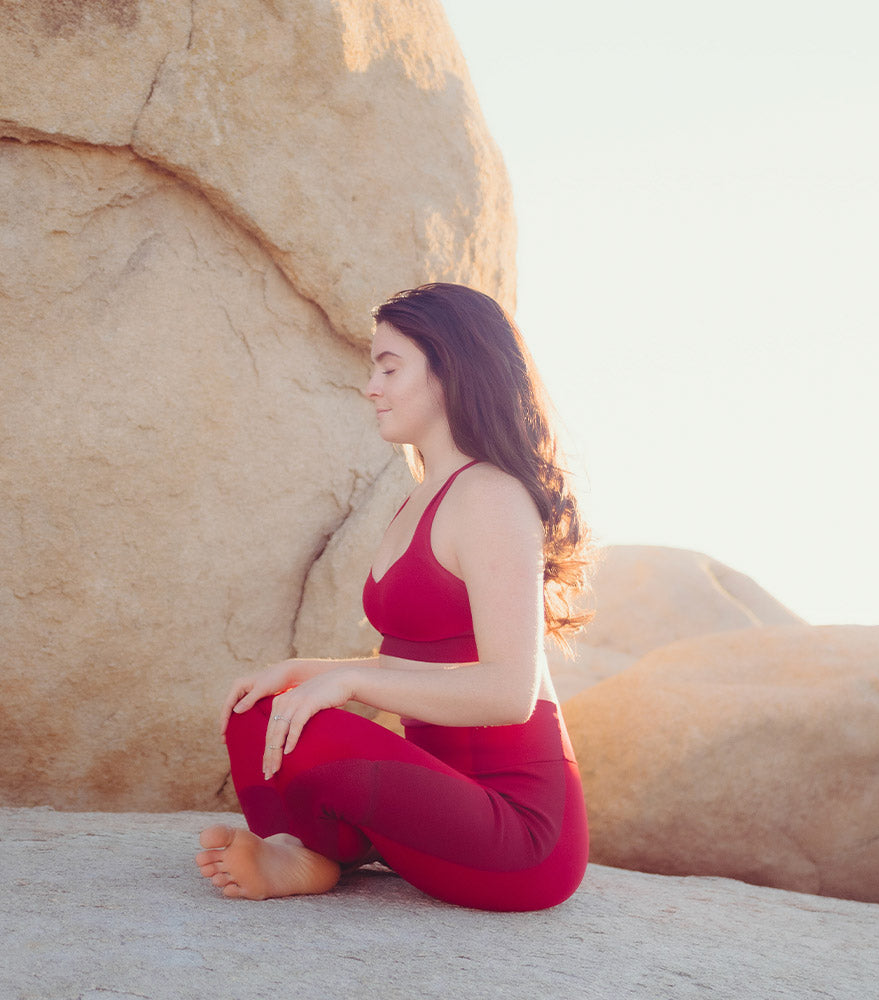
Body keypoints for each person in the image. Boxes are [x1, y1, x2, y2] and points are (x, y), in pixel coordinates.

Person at [195, 282, 592, 911]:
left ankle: (315, 853)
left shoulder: (491, 495)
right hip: (442, 799)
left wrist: (352, 684)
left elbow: (510, 693)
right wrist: (306, 672)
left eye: (389, 367)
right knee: (261, 710)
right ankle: (310, 852)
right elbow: (415, 668)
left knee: (316, 730)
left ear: (448, 371)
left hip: (518, 836)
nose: (371, 387)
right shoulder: (423, 494)